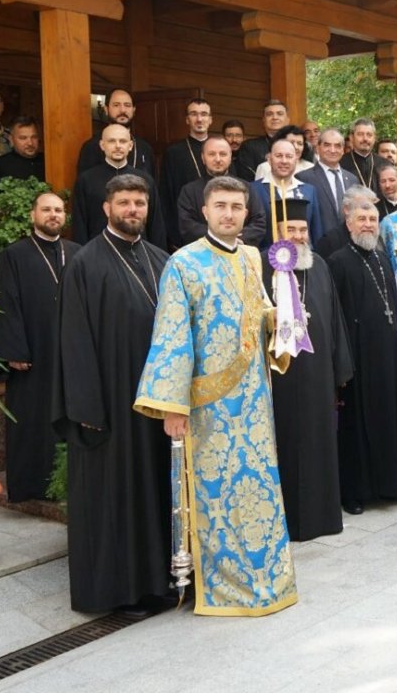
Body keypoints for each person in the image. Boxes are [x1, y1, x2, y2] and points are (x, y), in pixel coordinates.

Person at [132, 175, 297, 616]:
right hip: (208, 406)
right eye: (220, 206)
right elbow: (171, 336)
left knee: (257, 490)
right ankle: (223, 586)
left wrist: (283, 319)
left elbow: (258, 310)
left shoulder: (251, 258)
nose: (229, 214)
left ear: (247, 213)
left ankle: (266, 577)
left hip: (254, 400)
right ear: (205, 211)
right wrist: (173, 406)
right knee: (216, 496)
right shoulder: (183, 264)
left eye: (236, 207)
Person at [57, 174, 171, 613]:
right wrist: (86, 407)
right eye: (124, 202)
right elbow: (73, 340)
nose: (132, 210)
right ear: (106, 208)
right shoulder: (84, 264)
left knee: (155, 492)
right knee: (118, 498)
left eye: (140, 202)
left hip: (157, 402)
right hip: (109, 406)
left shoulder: (163, 259)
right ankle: (118, 592)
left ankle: (159, 581)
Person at [257, 199, 353, 540]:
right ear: (278, 235)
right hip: (280, 373)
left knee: (319, 439)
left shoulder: (321, 266)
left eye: (302, 230)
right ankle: (289, 519)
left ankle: (322, 517)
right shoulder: (262, 268)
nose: (298, 236)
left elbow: (335, 318)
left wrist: (340, 367)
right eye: (290, 230)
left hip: (317, 372)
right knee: (285, 440)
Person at [0, 191, 78, 502]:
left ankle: (68, 482)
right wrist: (15, 349)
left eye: (58, 210)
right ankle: (32, 486)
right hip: (32, 352)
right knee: (32, 415)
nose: (53, 215)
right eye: (46, 210)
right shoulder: (14, 254)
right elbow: (6, 302)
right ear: (33, 215)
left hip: (70, 350)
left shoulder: (76, 252)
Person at [329, 201, 397, 513]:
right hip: (358, 357)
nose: (367, 224)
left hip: (387, 355)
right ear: (349, 224)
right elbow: (334, 316)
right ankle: (355, 493)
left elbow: (393, 303)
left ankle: (390, 485)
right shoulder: (338, 261)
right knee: (357, 422)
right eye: (361, 219)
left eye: (372, 219)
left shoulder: (381, 258)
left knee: (389, 417)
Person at [72, 124, 167, 247]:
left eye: (122, 141)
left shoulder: (146, 180)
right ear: (102, 145)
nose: (118, 146)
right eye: (112, 141)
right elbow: (80, 224)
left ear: (130, 146)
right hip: (98, 251)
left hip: (138, 249)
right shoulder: (86, 180)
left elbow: (156, 224)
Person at [174, 137, 267, 246]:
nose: (218, 159)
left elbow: (259, 222)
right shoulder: (189, 191)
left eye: (223, 154)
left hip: (239, 250)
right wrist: (220, 238)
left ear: (230, 157)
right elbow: (187, 225)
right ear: (203, 158)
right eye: (212, 154)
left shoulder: (246, 187)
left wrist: (235, 239)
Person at [249, 134, 324, 250]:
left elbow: (316, 232)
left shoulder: (309, 191)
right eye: (279, 156)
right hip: (266, 261)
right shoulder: (253, 190)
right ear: (269, 159)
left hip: (303, 261)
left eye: (289, 156)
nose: (284, 161)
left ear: (296, 159)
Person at [159, 98, 214, 248]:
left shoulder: (220, 150)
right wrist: (172, 234)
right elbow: (166, 196)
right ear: (187, 120)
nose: (199, 119)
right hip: (185, 229)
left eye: (204, 114)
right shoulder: (174, 152)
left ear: (210, 120)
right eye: (194, 114)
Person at [298, 128, 362, 235]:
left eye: (337, 146)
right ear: (318, 148)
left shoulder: (352, 179)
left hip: (349, 243)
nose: (332, 150)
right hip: (320, 244)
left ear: (343, 150)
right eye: (327, 145)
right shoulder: (304, 178)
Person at [76, 89, 154, 173]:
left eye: (127, 105)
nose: (123, 110)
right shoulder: (91, 147)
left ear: (133, 110)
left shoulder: (145, 148)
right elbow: (86, 183)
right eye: (116, 105)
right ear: (106, 109)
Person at [314, 185, 378, 258]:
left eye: (370, 207)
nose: (368, 224)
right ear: (347, 209)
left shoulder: (374, 235)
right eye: (363, 207)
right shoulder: (330, 242)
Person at [233, 99, 290, 181]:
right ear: (263, 120)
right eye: (269, 114)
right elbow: (245, 180)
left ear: (288, 120)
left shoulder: (298, 146)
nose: (275, 117)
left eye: (279, 114)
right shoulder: (250, 147)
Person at [0, 116, 45, 182]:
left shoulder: (48, 161)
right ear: (11, 139)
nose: (30, 143)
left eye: (34, 137)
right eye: (23, 138)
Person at [340, 117, 379, 189]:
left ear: (374, 138)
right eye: (360, 134)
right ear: (351, 137)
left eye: (369, 135)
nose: (365, 139)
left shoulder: (384, 164)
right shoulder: (340, 164)